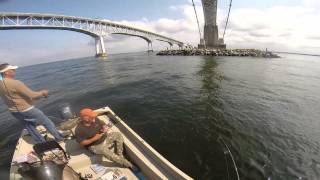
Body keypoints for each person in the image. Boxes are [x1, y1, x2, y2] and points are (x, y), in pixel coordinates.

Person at [0, 63, 64, 143]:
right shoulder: (15, 83)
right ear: (6, 72)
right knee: (47, 122)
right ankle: (59, 138)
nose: (14, 71)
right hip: (27, 110)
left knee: (30, 127)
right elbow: (32, 95)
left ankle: (42, 142)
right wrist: (43, 92)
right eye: (12, 70)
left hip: (14, 112)